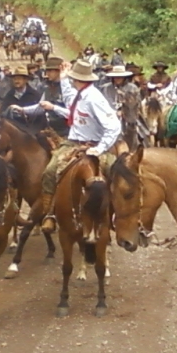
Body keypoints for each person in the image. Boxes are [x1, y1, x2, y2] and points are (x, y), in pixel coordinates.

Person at [37, 60, 122, 234]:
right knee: (50, 170)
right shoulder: (80, 94)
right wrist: (54, 106)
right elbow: (73, 112)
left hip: (94, 143)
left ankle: (117, 215)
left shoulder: (94, 98)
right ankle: (50, 213)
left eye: (72, 78)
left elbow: (113, 126)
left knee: (115, 172)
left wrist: (100, 148)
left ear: (77, 79)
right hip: (74, 142)